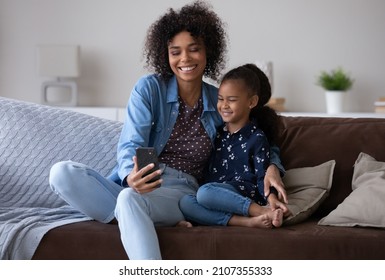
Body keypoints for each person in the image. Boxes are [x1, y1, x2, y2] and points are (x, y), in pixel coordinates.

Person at [49, 1, 287, 260]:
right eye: (175, 52)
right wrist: (132, 175)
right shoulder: (150, 88)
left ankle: (142, 225)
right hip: (142, 182)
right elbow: (133, 143)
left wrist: (272, 165)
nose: (185, 59)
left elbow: (252, 133)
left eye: (194, 49)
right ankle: (143, 218)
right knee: (62, 173)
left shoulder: (218, 99)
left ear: (208, 51)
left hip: (181, 191)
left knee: (128, 201)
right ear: (166, 55)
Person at [179, 64, 290, 229]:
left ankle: (260, 211)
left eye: (231, 100)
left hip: (241, 194)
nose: (224, 105)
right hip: (216, 195)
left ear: (251, 102)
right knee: (186, 202)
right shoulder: (216, 133)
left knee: (204, 193)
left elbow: (263, 176)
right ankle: (247, 222)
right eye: (221, 99)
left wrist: (272, 199)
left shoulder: (257, 137)